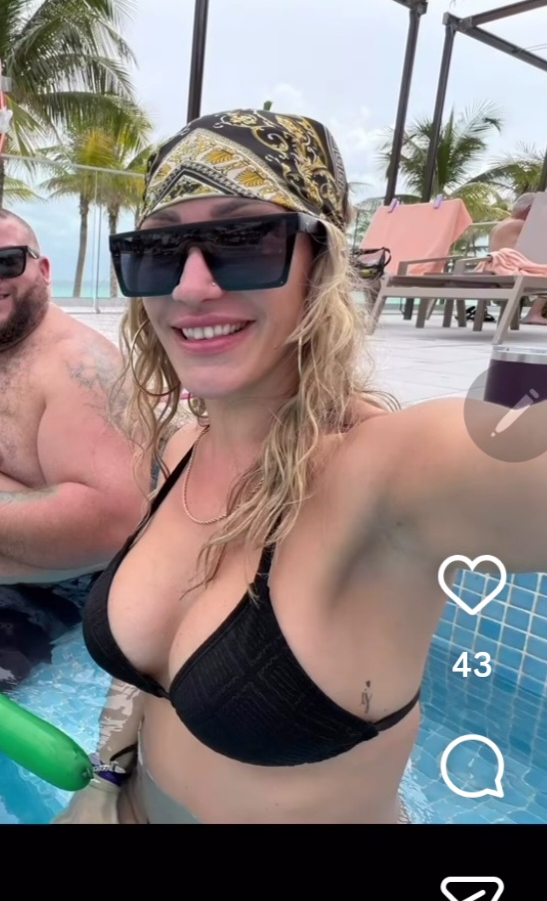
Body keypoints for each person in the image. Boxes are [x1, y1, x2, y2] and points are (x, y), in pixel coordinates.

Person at [53, 109, 547, 825]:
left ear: (322, 261)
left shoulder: (391, 473)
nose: (190, 287)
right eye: (159, 251)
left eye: (242, 239)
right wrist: (105, 776)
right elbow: (148, 680)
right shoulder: (184, 449)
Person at [0, 209, 149, 690]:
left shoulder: (80, 367)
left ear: (43, 270)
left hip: (67, 590)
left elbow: (111, 523)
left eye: (6, 262)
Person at [489, 192, 547, 325]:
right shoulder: (520, 225)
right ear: (530, 210)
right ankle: (534, 314)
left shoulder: (502, 223)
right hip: (509, 271)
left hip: (496, 269)